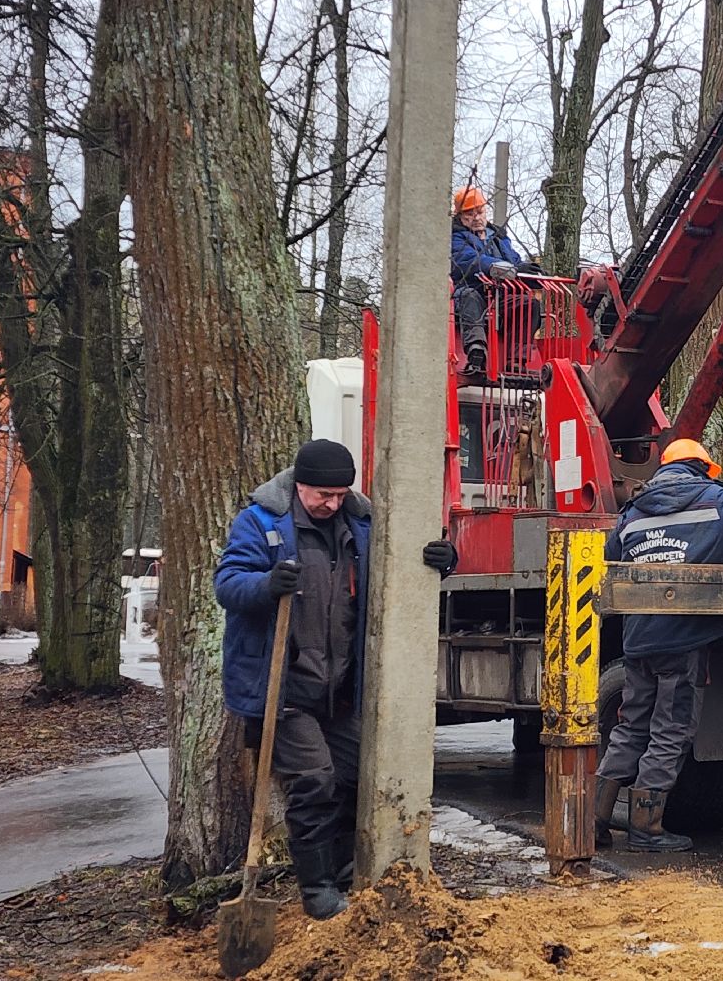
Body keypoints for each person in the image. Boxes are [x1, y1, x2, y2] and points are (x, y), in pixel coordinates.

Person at [216, 439, 457, 918]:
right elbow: (227, 584)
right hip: (284, 689)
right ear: (298, 484)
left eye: (340, 494)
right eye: (322, 495)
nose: (331, 503)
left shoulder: (363, 525)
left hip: (342, 689)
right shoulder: (262, 523)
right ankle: (318, 889)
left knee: (352, 779)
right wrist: (265, 585)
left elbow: (406, 565)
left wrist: (442, 560)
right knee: (315, 782)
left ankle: (346, 874)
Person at [594, 439, 723, 852]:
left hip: (639, 641)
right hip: (683, 644)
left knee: (629, 728)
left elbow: (609, 556)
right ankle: (646, 828)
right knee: (670, 732)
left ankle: (596, 820)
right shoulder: (720, 500)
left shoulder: (631, 514)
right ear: (702, 468)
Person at [449, 185, 526, 375]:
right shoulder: (455, 237)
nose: (476, 218)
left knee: (526, 304)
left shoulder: (499, 238)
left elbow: (514, 261)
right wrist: (495, 267)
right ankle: (476, 349)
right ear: (459, 216)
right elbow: (466, 260)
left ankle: (517, 359)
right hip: (471, 290)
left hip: (500, 296)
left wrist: (525, 269)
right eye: (469, 214)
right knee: (469, 297)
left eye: (480, 212)